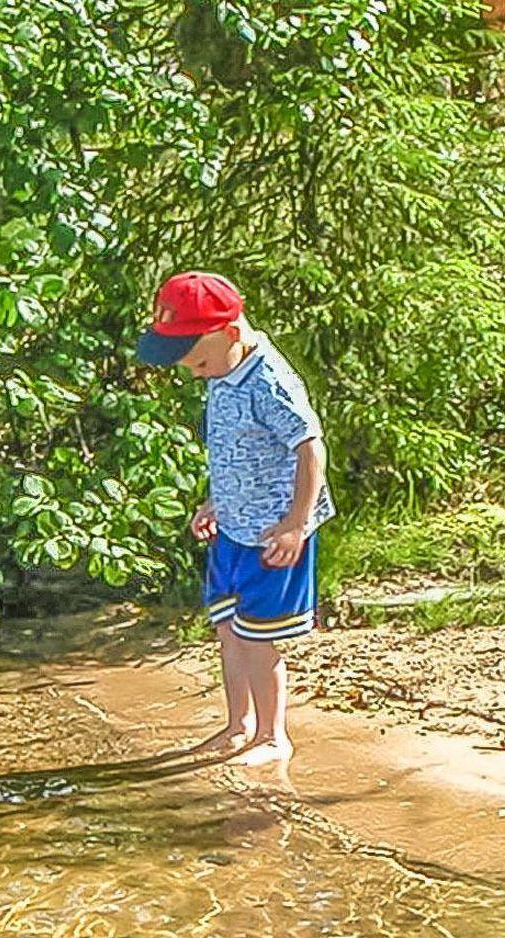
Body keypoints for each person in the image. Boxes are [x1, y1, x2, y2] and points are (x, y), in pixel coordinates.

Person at [136, 272, 334, 765]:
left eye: (198, 361)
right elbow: (235, 450)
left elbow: (310, 447)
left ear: (227, 334)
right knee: (228, 626)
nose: (196, 374)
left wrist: (295, 523)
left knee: (260, 638)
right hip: (234, 526)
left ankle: (272, 735)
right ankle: (237, 725)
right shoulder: (223, 372)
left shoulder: (268, 381)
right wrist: (215, 502)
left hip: (273, 533)